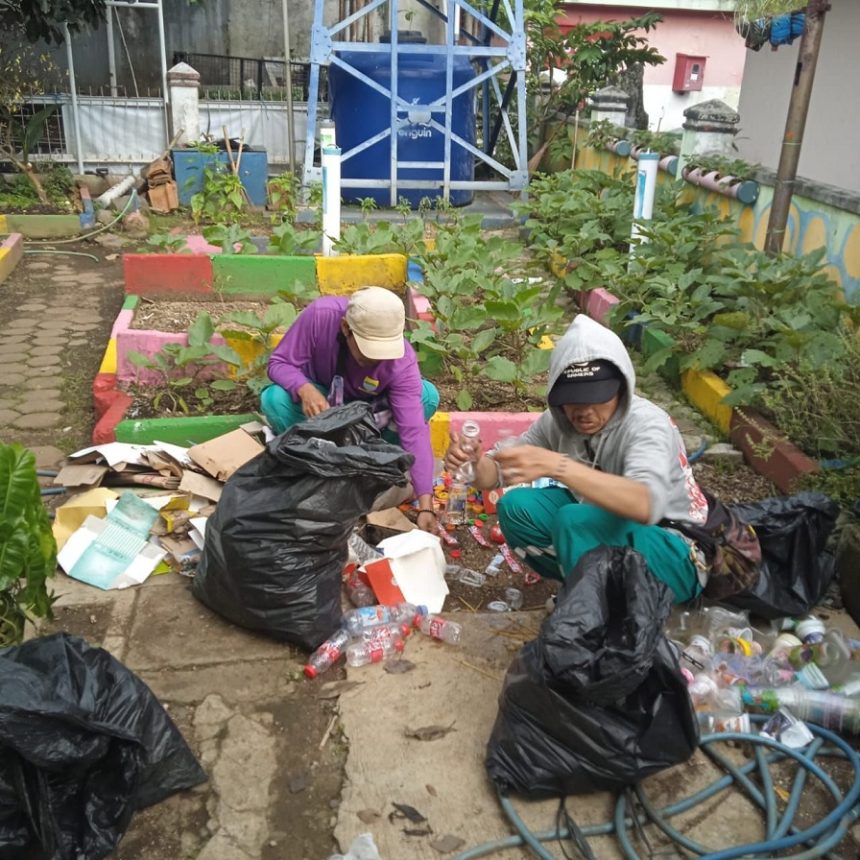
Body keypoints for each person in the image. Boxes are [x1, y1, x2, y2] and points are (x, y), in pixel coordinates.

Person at [445, 314, 709, 602]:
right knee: (516, 507)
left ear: (622, 387)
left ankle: (601, 610)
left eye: (597, 396)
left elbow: (646, 505)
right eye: (573, 398)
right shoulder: (557, 422)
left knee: (574, 520)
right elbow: (496, 473)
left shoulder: (647, 425)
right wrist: (473, 463)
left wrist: (559, 466)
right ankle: (591, 590)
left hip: (674, 550)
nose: (584, 411)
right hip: (610, 529)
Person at [260, 286, 441, 533]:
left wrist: (426, 505)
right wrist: (304, 389)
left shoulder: (401, 361)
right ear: (346, 328)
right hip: (322, 407)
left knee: (426, 396)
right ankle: (321, 458)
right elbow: (279, 363)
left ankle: (374, 458)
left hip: (371, 416)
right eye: (369, 350)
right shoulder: (320, 315)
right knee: (275, 399)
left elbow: (413, 431)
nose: (376, 360)